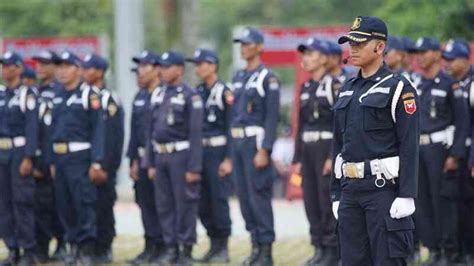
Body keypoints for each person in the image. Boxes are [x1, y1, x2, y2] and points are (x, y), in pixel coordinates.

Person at [331, 16, 419, 265]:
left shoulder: (399, 88)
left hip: (383, 191)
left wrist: (407, 194)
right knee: (352, 260)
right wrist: (336, 192)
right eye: (351, 43)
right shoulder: (346, 88)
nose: (353, 48)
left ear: (380, 47)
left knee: (387, 260)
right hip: (351, 191)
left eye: (359, 43)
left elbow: (410, 144)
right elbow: (338, 146)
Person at [411, 37, 469, 265]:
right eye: (418, 52)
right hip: (418, 149)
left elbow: (462, 121)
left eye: (425, 51)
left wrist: (455, 154)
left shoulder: (448, 83)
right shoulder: (415, 84)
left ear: (437, 54)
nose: (420, 56)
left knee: (442, 202)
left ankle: (449, 251)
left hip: (441, 150)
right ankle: (433, 250)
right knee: (423, 203)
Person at [145, 50, 203, 265]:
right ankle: (170, 248)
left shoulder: (190, 95)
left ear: (179, 69)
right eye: (160, 66)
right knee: (164, 205)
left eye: (167, 66)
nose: (162, 70)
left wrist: (194, 167)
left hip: (181, 155)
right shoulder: (158, 93)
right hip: (161, 155)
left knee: (185, 204)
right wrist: (149, 162)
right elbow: (150, 131)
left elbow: (196, 133)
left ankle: (185, 249)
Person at [50, 51, 106, 265]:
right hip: (61, 157)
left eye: (67, 66)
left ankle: (86, 249)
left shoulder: (89, 95)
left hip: (80, 157)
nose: (62, 71)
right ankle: (72, 246)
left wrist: (96, 161)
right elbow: (52, 130)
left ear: (78, 69)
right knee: (64, 205)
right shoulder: (58, 95)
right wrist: (52, 160)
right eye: (60, 66)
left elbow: (98, 131)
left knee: (84, 203)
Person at [231, 26, 280, 266]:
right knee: (243, 198)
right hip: (238, 140)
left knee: (258, 197)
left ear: (259, 47)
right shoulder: (238, 77)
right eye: (241, 43)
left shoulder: (267, 78)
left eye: (247, 43)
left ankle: (266, 251)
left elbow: (272, 117)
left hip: (255, 142)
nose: (243, 47)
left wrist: (266, 149)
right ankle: (255, 246)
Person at [293, 38, 340, 266]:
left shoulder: (334, 84)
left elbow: (340, 124)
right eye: (305, 54)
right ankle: (318, 247)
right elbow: (300, 125)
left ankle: (332, 250)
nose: (306, 59)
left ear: (323, 58)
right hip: (309, 150)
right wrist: (298, 158)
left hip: (326, 148)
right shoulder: (306, 87)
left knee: (326, 200)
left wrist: (333, 155)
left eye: (311, 54)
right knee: (310, 200)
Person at [187, 48, 233, 263]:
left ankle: (223, 246)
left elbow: (232, 127)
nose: (198, 68)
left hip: (218, 151)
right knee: (202, 201)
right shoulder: (197, 92)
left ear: (213, 66)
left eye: (202, 63)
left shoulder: (225, 92)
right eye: (196, 64)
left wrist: (228, 158)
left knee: (218, 199)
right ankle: (213, 244)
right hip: (200, 152)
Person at [82, 53, 124, 263]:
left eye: (90, 68)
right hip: (87, 162)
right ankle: (89, 247)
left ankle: (104, 247)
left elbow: (114, 135)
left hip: (105, 164)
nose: (86, 72)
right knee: (88, 207)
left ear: (100, 72)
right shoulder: (84, 97)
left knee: (104, 206)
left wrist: (108, 166)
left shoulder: (109, 99)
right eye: (84, 68)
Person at [0, 51, 40, 265]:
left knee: (22, 202)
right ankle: (12, 247)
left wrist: (28, 157)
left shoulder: (27, 94)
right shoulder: (1, 94)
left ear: (18, 68)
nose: (4, 70)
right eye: (2, 66)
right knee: (3, 204)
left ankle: (28, 250)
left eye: (8, 66)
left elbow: (32, 127)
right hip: (2, 153)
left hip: (19, 152)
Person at [127, 50, 164, 264]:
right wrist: (132, 159)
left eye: (145, 66)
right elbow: (134, 132)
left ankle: (163, 245)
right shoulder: (140, 97)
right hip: (141, 158)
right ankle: (150, 244)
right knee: (144, 202)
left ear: (157, 69)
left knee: (162, 203)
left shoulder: (165, 94)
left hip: (160, 158)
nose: (140, 71)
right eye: (139, 66)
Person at [31, 50, 67, 263]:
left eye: (45, 63)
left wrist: (50, 160)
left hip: (55, 158)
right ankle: (40, 247)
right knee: (39, 205)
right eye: (38, 63)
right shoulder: (34, 92)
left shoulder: (60, 93)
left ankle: (63, 243)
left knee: (57, 204)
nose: (40, 67)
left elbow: (58, 129)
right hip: (36, 156)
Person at [442, 39, 474, 264]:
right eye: (446, 59)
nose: (448, 64)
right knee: (458, 205)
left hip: (471, 152)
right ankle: (461, 251)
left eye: (452, 60)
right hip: (457, 153)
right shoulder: (451, 84)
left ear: (466, 59)